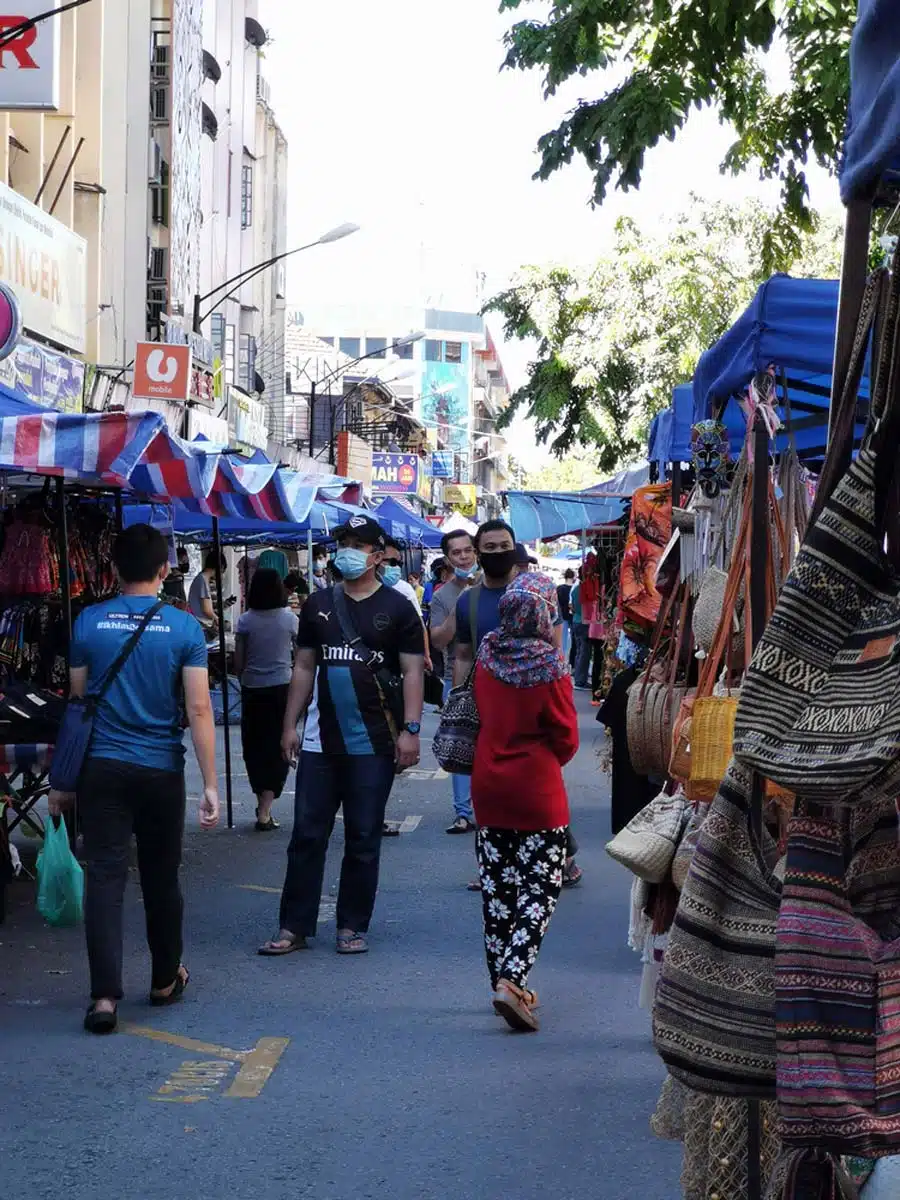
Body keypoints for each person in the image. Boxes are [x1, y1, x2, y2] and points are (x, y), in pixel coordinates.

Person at [47, 523, 219, 1035]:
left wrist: (63, 779)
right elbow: (200, 708)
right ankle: (166, 979)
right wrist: (210, 783)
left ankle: (103, 997)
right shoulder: (185, 628)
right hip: (161, 768)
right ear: (165, 569)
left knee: (105, 876)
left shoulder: (90, 624)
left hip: (101, 768)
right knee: (162, 876)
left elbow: (78, 706)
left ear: (114, 569)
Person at [259, 515, 425, 958]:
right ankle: (294, 926)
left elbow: (412, 671)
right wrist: (289, 724)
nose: (347, 550)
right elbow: (303, 667)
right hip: (319, 743)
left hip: (375, 742)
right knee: (307, 835)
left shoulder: (399, 607)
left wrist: (411, 730)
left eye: (357, 543)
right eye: (343, 542)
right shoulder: (316, 605)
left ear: (377, 554)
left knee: (363, 836)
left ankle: (352, 925)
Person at [471, 572, 579, 1032]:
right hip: (537, 788)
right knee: (539, 889)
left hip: (488, 782)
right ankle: (512, 981)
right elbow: (566, 736)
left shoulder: (488, 651)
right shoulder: (550, 664)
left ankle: (501, 978)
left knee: (499, 892)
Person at [456, 520, 583, 889]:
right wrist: (462, 695)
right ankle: (504, 869)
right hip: (487, 699)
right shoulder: (470, 600)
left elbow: (554, 645)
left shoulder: (534, 592)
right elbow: (463, 653)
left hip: (532, 700)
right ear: (479, 552)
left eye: (504, 546)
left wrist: (549, 678)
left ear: (515, 549)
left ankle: (556, 858)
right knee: (505, 793)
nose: (497, 553)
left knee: (528, 791)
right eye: (489, 547)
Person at [234, 567, 299, 832]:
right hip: (282, 687)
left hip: (253, 689)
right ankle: (265, 808)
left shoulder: (245, 620)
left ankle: (262, 803)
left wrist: (244, 677)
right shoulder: (289, 619)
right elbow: (302, 653)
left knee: (255, 746)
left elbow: (238, 660)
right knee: (279, 746)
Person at [429, 528, 480, 833]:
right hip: (457, 681)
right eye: (456, 553)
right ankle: (463, 811)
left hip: (494, 677)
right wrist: (462, 600)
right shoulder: (442, 596)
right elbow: (438, 641)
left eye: (467, 551)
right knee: (459, 747)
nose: (463, 557)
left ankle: (491, 807)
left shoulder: (493, 583)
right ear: (448, 559)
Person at [188, 550, 224, 638]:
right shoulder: (202, 580)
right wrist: (217, 619)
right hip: (201, 627)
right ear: (220, 567)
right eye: (222, 570)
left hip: (200, 626)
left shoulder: (202, 578)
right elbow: (207, 609)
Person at [571, 569, 592, 690]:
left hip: (576, 621)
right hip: (584, 622)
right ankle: (580, 680)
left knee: (579, 650)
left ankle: (578, 675)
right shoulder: (587, 589)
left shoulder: (575, 590)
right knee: (584, 652)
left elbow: (573, 607)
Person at [557, 569, 575, 665]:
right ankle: (571, 660)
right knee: (573, 640)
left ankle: (562, 659)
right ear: (573, 577)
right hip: (572, 616)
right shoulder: (575, 589)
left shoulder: (559, 588)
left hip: (562, 616)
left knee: (562, 640)